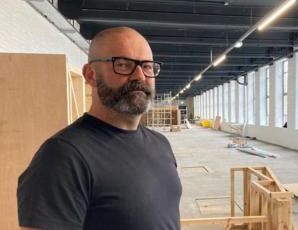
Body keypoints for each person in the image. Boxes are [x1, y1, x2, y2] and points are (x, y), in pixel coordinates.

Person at [17, 27, 182, 230]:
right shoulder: (63, 157)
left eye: (147, 66)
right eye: (123, 64)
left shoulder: (160, 144)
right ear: (91, 75)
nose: (139, 76)